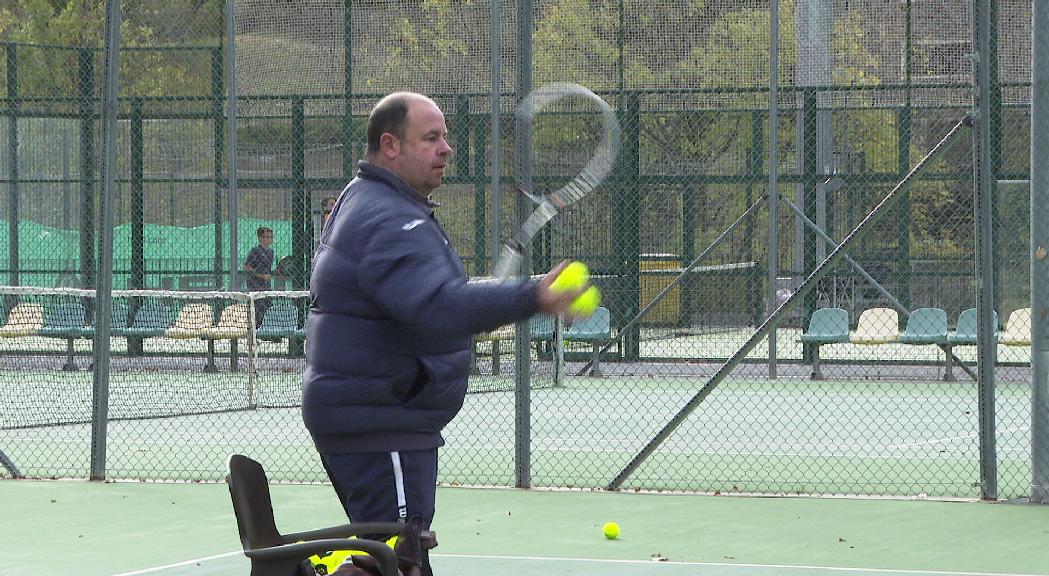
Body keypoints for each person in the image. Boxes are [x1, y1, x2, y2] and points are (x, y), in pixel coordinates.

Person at [302, 92, 584, 576]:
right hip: (379, 422)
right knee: (399, 562)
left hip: (380, 416)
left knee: (386, 559)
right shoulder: (389, 217)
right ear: (390, 146)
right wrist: (532, 295)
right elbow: (437, 307)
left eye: (446, 137)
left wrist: (500, 295)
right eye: (431, 138)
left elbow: (430, 295)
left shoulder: (376, 201)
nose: (447, 148)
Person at [243, 226, 274, 328]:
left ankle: (267, 332)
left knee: (268, 307)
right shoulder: (255, 251)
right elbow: (247, 267)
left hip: (266, 287)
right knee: (257, 310)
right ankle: (255, 332)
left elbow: (268, 270)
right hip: (255, 286)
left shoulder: (271, 252)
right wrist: (261, 276)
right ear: (260, 238)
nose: (268, 239)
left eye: (270, 237)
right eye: (265, 237)